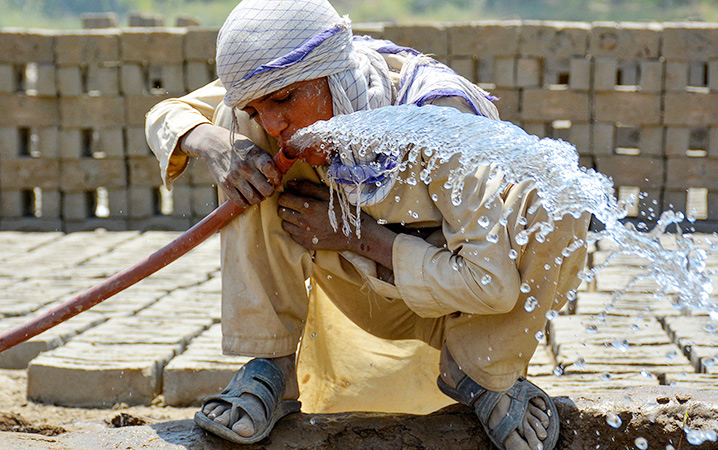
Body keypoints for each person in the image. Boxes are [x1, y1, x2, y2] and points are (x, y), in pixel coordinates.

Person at [145, 1, 589, 449]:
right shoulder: (274, 85)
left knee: (563, 199)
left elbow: (492, 285)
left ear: (334, 74)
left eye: (283, 101)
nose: (275, 123)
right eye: (261, 108)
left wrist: (357, 236)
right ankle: (272, 368)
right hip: (360, 292)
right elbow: (166, 114)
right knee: (233, 132)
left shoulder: (442, 120)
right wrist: (216, 146)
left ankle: (479, 371)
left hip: (463, 308)